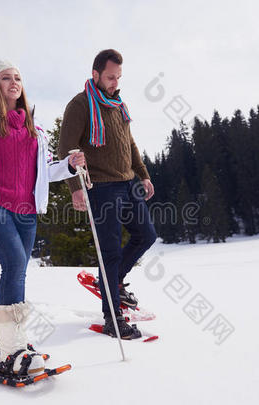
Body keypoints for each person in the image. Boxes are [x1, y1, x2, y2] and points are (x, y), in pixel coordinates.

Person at [0, 60, 85, 375]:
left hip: (26, 208)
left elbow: (46, 170)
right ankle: (13, 349)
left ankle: (13, 337)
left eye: (17, 77)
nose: (13, 82)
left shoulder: (34, 126)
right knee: (14, 263)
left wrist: (69, 164)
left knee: (19, 270)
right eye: (5, 78)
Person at [58, 49, 157, 339]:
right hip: (101, 187)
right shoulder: (79, 105)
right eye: (111, 77)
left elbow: (130, 143)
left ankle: (111, 283)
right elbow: (66, 150)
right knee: (110, 253)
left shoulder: (118, 104)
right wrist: (75, 189)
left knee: (146, 235)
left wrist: (143, 174)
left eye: (118, 77)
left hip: (127, 183)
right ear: (96, 74)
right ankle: (113, 319)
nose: (115, 82)